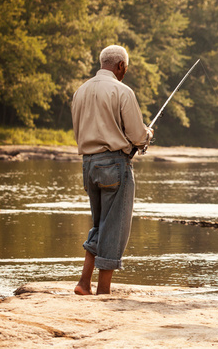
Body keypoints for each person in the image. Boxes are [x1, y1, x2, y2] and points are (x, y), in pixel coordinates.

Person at [71, 45, 153, 295]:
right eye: (125, 68)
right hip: (115, 165)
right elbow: (137, 135)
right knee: (115, 226)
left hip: (88, 164)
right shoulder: (122, 91)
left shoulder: (80, 91)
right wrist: (147, 135)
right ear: (120, 66)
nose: (125, 71)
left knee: (100, 223)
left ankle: (84, 283)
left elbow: (77, 130)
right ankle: (103, 289)